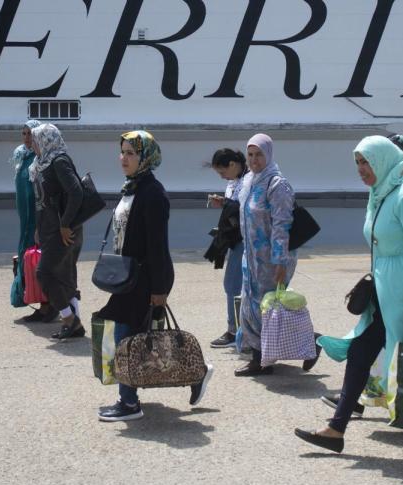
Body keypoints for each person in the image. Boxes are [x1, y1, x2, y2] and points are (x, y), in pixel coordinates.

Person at [295, 135, 403, 457]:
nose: (361, 169)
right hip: (386, 292)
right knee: (361, 352)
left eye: (366, 162)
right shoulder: (381, 195)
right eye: (357, 162)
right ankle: (336, 429)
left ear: (384, 161)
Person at [97, 131, 208, 421]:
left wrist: (158, 288)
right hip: (129, 275)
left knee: (126, 336)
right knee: (140, 336)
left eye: (131, 153)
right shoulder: (132, 188)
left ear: (146, 157)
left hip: (146, 277)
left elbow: (157, 245)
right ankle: (197, 372)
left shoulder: (153, 193)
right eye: (122, 152)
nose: (124, 158)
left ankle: (129, 402)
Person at [234, 134, 319, 376]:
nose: (253, 160)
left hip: (272, 258)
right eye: (250, 155)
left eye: (259, 154)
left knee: (268, 307)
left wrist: (280, 261)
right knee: (251, 305)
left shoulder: (277, 184)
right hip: (251, 258)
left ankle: (263, 358)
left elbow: (283, 224)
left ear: (268, 155)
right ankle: (261, 356)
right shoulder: (249, 181)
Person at [29, 123, 85, 339]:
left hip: (63, 230)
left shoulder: (59, 161)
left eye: (35, 139)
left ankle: (69, 318)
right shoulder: (43, 163)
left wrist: (65, 224)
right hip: (51, 228)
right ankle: (75, 326)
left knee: (44, 273)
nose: (33, 144)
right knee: (64, 275)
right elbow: (44, 200)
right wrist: (38, 227)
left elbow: (76, 192)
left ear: (46, 140)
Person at [10, 120, 55, 321]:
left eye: (31, 134)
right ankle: (35, 300)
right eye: (24, 133)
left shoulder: (41, 158)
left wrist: (40, 222)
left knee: (39, 260)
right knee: (28, 258)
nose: (27, 138)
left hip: (37, 219)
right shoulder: (21, 155)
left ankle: (48, 305)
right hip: (25, 219)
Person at [204, 148, 248, 349]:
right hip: (235, 238)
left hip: (245, 241)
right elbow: (236, 208)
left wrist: (227, 203)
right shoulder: (235, 182)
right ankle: (240, 330)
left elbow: (244, 209)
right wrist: (224, 203)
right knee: (234, 285)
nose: (222, 177)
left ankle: (235, 331)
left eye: (222, 172)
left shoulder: (249, 180)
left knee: (233, 285)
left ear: (232, 164)